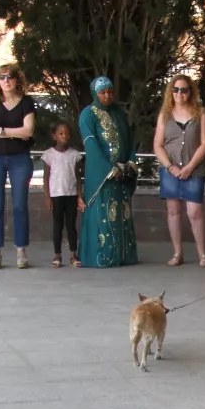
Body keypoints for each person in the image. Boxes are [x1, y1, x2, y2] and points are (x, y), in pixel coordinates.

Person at [78, 76, 139, 268]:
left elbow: (129, 140)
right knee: (103, 213)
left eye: (110, 92)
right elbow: (91, 144)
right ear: (95, 94)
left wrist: (130, 162)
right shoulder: (88, 114)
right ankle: (101, 257)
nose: (107, 96)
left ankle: (123, 256)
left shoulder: (119, 113)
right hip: (103, 174)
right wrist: (109, 169)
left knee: (122, 214)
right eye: (102, 92)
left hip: (122, 171)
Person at [153, 74, 205, 267]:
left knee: (195, 211)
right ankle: (177, 253)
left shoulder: (200, 114)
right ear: (171, 91)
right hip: (170, 170)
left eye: (184, 90)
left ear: (191, 92)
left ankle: (203, 255)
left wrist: (189, 167)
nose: (180, 93)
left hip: (193, 168)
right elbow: (158, 145)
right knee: (173, 210)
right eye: (176, 89)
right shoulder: (165, 115)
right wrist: (170, 167)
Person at [0, 63, 36, 269]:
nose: (6, 80)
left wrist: (1, 130)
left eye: (10, 76)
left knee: (19, 205)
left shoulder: (26, 102)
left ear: (17, 80)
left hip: (19, 159)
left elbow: (28, 131)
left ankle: (21, 250)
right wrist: (14, 131)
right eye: (2, 77)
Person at [42, 120, 83, 267]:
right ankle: (57, 255)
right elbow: (46, 177)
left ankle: (73, 255)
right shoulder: (48, 155)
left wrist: (79, 196)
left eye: (66, 133)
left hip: (71, 195)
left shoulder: (75, 155)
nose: (64, 136)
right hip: (56, 195)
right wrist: (47, 196)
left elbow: (78, 177)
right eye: (60, 133)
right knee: (57, 225)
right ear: (54, 136)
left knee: (71, 225)